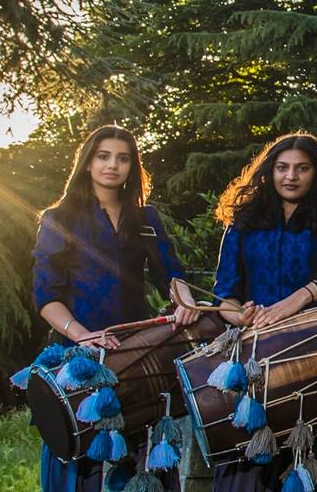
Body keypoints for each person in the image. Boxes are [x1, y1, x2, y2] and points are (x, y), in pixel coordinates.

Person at [32, 125, 198, 492]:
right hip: (77, 352)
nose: (113, 165)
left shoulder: (146, 217)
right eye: (103, 156)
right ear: (87, 162)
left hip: (135, 351)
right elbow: (46, 295)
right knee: (78, 452)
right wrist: (82, 335)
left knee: (139, 449)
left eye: (123, 159)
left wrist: (184, 301)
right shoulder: (58, 218)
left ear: (132, 167)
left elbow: (169, 273)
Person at [211, 132, 317, 491]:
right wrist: (238, 316)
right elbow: (225, 292)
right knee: (241, 463)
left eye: (302, 168)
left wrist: (302, 297)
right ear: (269, 171)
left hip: (310, 353)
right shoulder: (244, 220)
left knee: (298, 460)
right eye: (282, 167)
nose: (291, 176)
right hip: (252, 356)